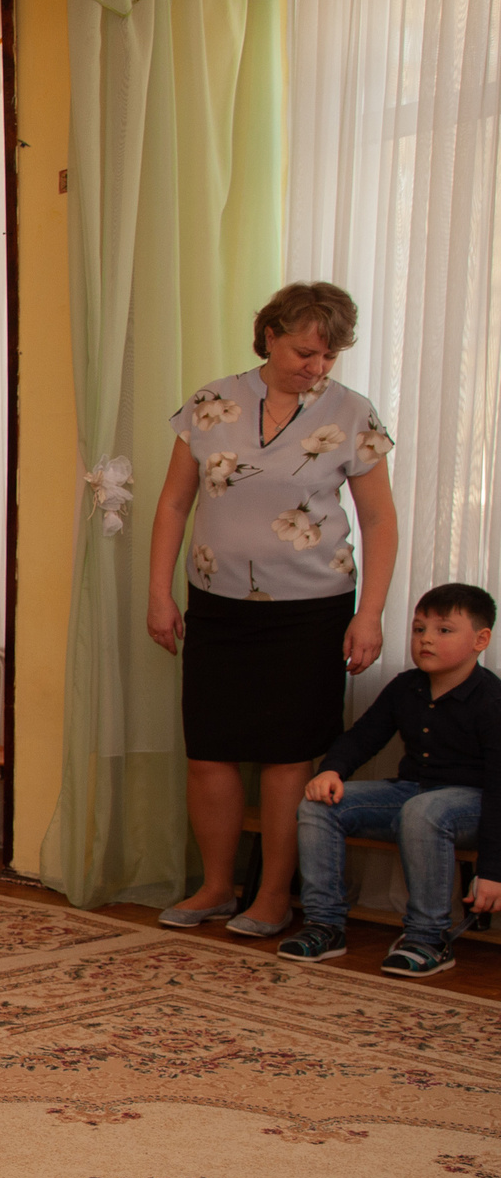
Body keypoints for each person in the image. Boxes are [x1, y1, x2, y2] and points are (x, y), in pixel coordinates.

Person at [148, 282, 399, 936]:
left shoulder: (352, 413)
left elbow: (379, 521)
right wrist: (159, 593)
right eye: (304, 352)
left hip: (311, 610)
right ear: (269, 336)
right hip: (218, 604)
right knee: (210, 751)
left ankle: (273, 895)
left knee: (289, 757)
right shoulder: (210, 402)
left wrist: (368, 613)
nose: (316, 366)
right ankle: (215, 886)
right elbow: (174, 503)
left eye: (328, 356)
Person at [280, 583, 498, 978]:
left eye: (443, 630)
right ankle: (325, 926)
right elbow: (363, 737)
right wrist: (332, 770)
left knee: (425, 809)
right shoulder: (405, 687)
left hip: (473, 804)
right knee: (318, 804)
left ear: (481, 640)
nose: (426, 639)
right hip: (412, 794)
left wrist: (494, 870)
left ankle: (429, 937)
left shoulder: (491, 700)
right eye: (418, 630)